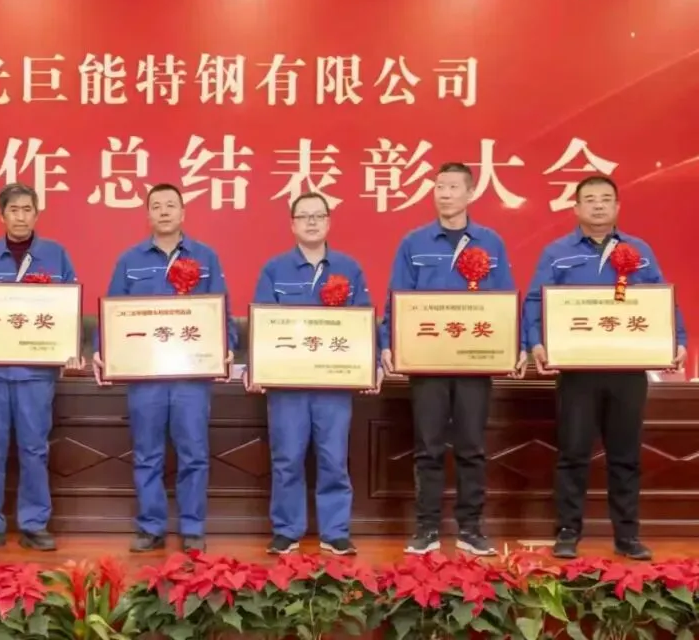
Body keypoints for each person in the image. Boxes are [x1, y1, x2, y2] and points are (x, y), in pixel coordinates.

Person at [524, 174, 687, 561]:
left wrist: (677, 339)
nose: (598, 205)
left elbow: (661, 299)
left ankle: (627, 535)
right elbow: (534, 302)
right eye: (590, 199)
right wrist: (535, 342)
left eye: (606, 199)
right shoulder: (556, 252)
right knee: (573, 453)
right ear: (576, 208)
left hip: (627, 370)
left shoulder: (639, 251)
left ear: (617, 207)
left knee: (626, 455)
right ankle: (567, 532)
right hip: (577, 371)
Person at [379, 162, 526, 556]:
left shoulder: (491, 243)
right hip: (427, 363)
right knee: (427, 447)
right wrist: (388, 343)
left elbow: (505, 299)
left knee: (471, 447)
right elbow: (397, 298)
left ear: (470, 193)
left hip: (474, 363)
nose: (444, 194)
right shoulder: (414, 242)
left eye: (452, 187)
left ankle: (471, 529)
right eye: (439, 187)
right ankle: (426, 528)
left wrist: (515, 344)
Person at [93, 183, 237, 553]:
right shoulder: (129, 260)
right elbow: (112, 311)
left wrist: (227, 345)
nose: (164, 211)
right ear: (148, 215)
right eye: (156, 206)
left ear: (183, 212)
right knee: (147, 454)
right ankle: (151, 527)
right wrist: (101, 349)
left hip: (191, 376)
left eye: (171, 205)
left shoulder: (206, 257)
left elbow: (221, 309)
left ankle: (192, 528)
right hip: (146, 377)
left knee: (194, 454)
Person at [246, 192, 381, 556]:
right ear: (292, 225)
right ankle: (286, 530)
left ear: (328, 222)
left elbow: (364, 322)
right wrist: (257, 366)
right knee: (287, 458)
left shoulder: (349, 269)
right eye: (303, 216)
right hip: (287, 385)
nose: (311, 222)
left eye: (318, 215)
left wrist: (371, 366)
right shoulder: (274, 269)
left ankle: (335, 531)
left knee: (333, 458)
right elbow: (262, 322)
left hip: (332, 384)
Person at [0, 184, 82, 552]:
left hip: (35, 373)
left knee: (34, 450)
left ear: (37, 214)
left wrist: (71, 346)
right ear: (2, 215)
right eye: (14, 210)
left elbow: (69, 310)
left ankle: (34, 523)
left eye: (28, 209)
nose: (21, 216)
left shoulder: (56, 256)